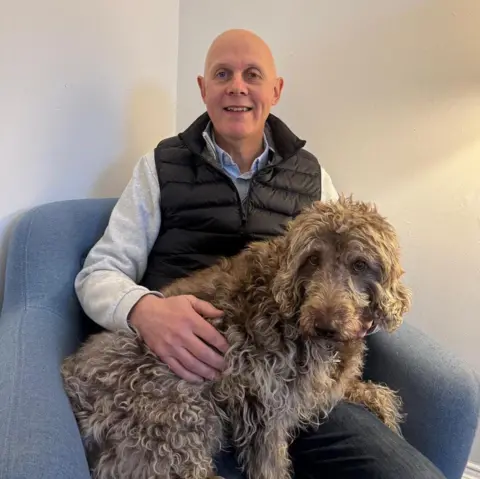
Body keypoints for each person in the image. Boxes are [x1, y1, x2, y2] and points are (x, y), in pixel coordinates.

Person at [75, 29, 446, 478]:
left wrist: (363, 315)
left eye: (252, 74)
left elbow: (357, 261)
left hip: (295, 381)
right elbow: (98, 272)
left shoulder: (313, 177)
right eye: (222, 74)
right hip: (187, 372)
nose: (237, 86)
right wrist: (145, 311)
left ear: (275, 90)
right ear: (202, 88)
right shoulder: (160, 166)